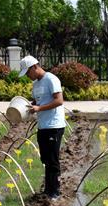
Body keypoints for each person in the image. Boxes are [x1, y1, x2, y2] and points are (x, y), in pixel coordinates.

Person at [18, 55, 66, 198]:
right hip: (43, 126)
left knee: (52, 159)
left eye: (28, 73)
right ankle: (48, 190)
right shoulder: (36, 84)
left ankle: (55, 192)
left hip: (54, 125)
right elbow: (37, 101)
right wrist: (29, 106)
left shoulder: (51, 79)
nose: (27, 76)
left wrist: (39, 109)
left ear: (35, 67)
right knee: (45, 159)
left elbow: (59, 101)